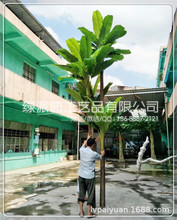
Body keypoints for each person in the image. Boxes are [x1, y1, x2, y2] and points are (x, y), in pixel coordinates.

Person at [78, 135, 105, 218]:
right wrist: (102, 154)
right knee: (90, 194)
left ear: (86, 144)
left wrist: (87, 138)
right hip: (90, 176)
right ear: (93, 146)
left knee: (81, 193)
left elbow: (85, 144)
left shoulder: (81, 150)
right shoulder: (94, 154)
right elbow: (100, 157)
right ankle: (89, 213)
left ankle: (81, 212)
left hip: (81, 175)